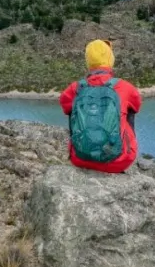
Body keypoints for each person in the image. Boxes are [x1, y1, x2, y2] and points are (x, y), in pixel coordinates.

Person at [59, 39, 142, 174]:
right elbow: (137, 105)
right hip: (118, 162)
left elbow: (64, 104)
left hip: (80, 159)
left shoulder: (75, 88)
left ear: (88, 61)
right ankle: (121, 149)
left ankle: (83, 149)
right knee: (128, 112)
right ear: (110, 59)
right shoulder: (124, 87)